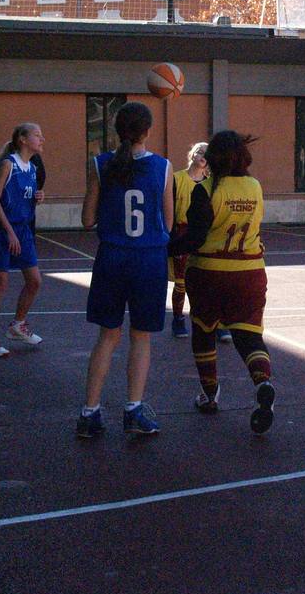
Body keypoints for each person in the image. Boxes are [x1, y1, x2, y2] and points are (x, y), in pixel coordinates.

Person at [168, 130, 276, 434]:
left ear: (213, 157)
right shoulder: (255, 187)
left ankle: (210, 394)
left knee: (203, 332)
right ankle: (263, 382)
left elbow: (195, 237)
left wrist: (164, 247)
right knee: (249, 337)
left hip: (210, 272)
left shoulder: (206, 190)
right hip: (251, 272)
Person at [77, 102, 173, 438]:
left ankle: (89, 413)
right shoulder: (162, 167)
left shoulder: (100, 165)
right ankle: (133, 409)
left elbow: (87, 220)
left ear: (118, 130)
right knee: (141, 337)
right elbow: (168, 223)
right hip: (148, 259)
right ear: (147, 131)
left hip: (113, 257)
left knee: (107, 336)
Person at [0, 123, 46, 357]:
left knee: (35, 280)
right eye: (37, 135)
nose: (42, 139)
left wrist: (38, 197)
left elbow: (22, 199)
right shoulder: (8, 164)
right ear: (22, 139)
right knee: (0, 282)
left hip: (23, 229)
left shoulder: (33, 169)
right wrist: (8, 231)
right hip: (2, 230)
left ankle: (18, 325)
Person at [169, 141, 208, 338]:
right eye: (200, 151)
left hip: (204, 235)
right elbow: (167, 209)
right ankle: (178, 319)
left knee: (207, 281)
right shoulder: (177, 179)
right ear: (192, 154)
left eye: (207, 152)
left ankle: (212, 322)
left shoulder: (211, 182)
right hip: (182, 233)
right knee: (181, 283)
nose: (203, 154)